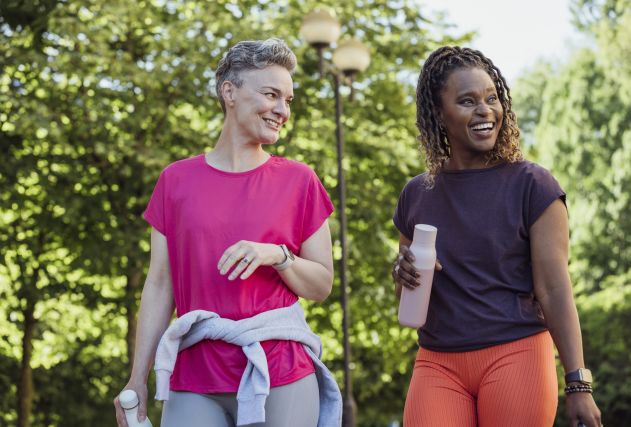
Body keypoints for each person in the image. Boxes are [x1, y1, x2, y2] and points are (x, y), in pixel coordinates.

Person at [113, 38, 340, 427]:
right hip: (194, 373)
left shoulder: (300, 180)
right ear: (229, 91)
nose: (282, 110)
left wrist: (277, 255)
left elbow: (320, 286)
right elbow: (160, 285)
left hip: (281, 372)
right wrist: (138, 377)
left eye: (288, 100)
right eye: (271, 94)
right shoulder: (175, 181)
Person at [392, 46, 602, 427]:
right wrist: (402, 274)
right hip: (438, 360)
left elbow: (555, 290)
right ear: (440, 114)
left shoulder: (533, 185)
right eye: (467, 101)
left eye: (491, 98)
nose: (485, 110)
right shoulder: (416, 194)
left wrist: (578, 383)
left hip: (516, 354)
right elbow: (409, 304)